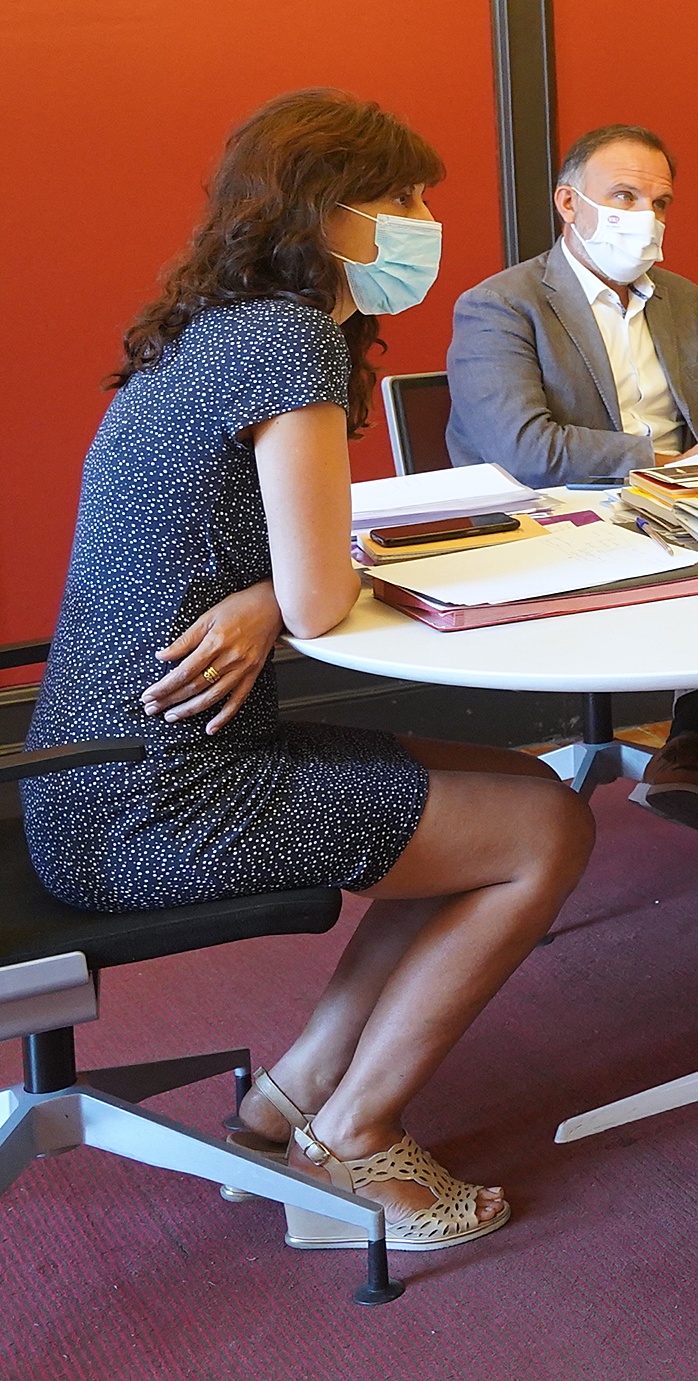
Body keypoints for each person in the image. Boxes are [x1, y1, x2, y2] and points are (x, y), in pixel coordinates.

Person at [21, 88, 594, 1250]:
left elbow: (287, 564)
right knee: (548, 831)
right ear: (325, 210)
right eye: (402, 196)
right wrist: (286, 593)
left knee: (516, 792)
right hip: (164, 793)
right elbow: (324, 591)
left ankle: (289, 1101)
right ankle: (355, 1136)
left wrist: (267, 594)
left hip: (86, 766)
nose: (424, 219)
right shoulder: (287, 339)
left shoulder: (214, 327)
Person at [444, 125, 698, 943]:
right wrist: (672, 459)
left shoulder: (683, 299)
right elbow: (526, 450)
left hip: (676, 511)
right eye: (625, 197)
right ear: (569, 203)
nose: (648, 217)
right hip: (554, 525)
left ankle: (695, 747)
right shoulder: (500, 303)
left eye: (661, 202)